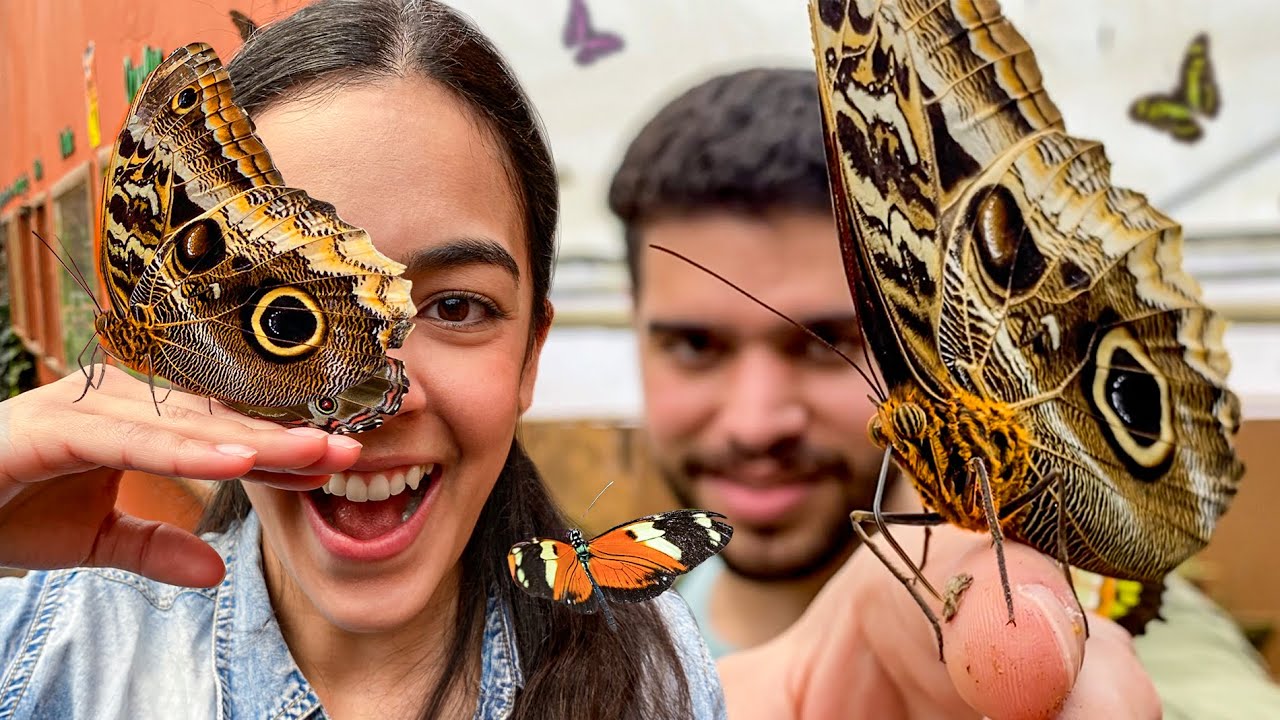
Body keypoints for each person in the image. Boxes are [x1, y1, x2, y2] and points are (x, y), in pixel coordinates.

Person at [0, 2, 719, 718]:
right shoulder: (43, 651)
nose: (384, 398)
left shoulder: (651, 668)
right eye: (286, 311)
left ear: (530, 353)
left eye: (456, 307)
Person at [609, 67, 1280, 718]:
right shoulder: (602, 655)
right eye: (695, 346)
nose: (755, 422)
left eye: (829, 343)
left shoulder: (1100, 604)